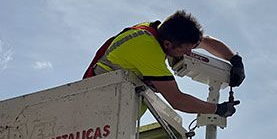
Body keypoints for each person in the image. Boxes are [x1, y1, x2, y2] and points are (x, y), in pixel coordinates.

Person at [85, 10, 245, 117]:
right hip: (100, 110)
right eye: (185, 51)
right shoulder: (148, 50)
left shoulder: (160, 32)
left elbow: (206, 42)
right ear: (168, 44)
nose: (189, 54)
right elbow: (177, 100)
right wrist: (218, 109)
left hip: (115, 110)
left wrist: (235, 60)